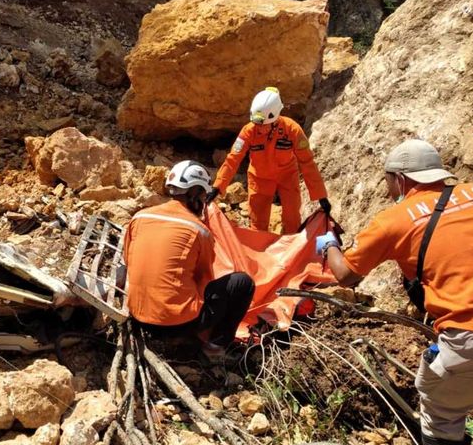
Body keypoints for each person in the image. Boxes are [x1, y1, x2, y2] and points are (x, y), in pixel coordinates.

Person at [317, 139, 473, 445]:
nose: (387, 188)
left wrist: (328, 245)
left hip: (469, 335)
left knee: (443, 417)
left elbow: (346, 275)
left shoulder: (393, 220)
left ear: (401, 180)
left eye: (388, 181)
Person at [123, 160, 255, 360]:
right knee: (243, 283)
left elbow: (128, 261)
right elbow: (204, 278)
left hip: (138, 316)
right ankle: (215, 348)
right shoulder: (199, 230)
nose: (203, 201)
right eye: (202, 195)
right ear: (194, 193)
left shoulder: (139, 217)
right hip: (176, 325)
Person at [208, 87, 330, 234]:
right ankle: (259, 253)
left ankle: (291, 251)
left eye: (263, 124)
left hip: (287, 176)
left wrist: (320, 195)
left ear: (275, 118)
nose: (259, 128)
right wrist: (217, 186)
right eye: (257, 123)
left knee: (292, 218)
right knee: (258, 223)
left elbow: (307, 162)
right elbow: (233, 159)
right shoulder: (249, 130)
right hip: (259, 178)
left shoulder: (292, 130)